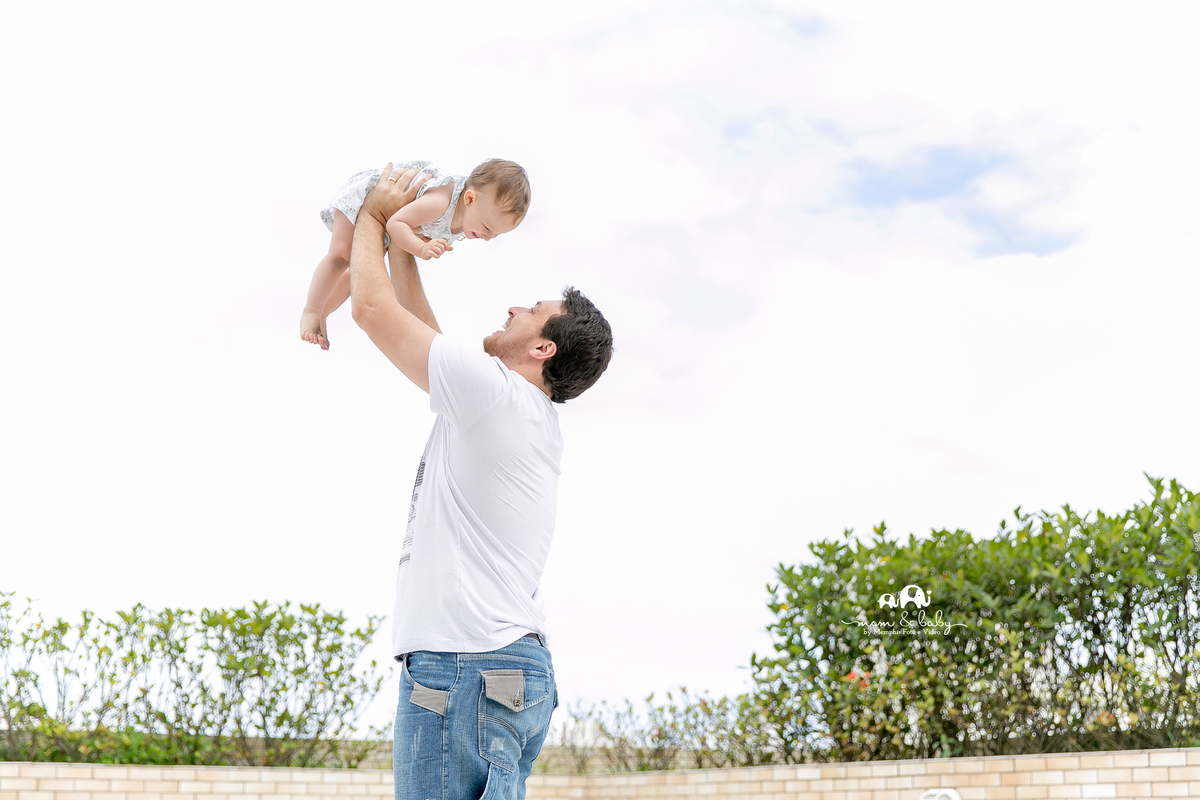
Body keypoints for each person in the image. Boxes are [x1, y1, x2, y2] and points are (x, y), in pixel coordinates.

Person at [347, 164, 613, 800]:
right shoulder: (512, 408)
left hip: (464, 666)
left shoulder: (495, 396)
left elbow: (370, 309)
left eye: (534, 311)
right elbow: (425, 334)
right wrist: (402, 245)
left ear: (543, 349)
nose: (516, 306)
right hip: (494, 665)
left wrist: (373, 217)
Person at [301, 159, 531, 350]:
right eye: (488, 227)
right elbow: (395, 223)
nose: (489, 237)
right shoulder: (440, 202)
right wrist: (420, 248)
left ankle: (323, 312)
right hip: (367, 196)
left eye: (497, 234)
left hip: (385, 215)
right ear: (469, 199)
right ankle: (311, 310)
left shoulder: (465, 220)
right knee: (341, 256)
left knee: (359, 274)